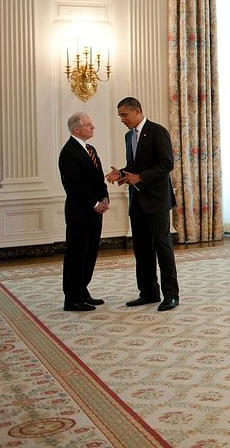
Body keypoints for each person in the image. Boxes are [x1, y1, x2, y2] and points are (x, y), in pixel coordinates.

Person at [105, 97, 180, 311]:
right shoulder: (128, 136)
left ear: (137, 111)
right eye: (120, 115)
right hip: (137, 201)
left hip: (156, 200)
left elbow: (167, 164)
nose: (121, 119)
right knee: (142, 249)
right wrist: (121, 173)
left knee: (162, 247)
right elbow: (134, 166)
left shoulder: (158, 132)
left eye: (124, 115)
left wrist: (141, 177)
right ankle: (148, 292)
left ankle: (171, 295)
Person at [58, 112, 109, 311]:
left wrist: (104, 198)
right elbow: (74, 186)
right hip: (80, 213)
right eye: (89, 125)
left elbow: (98, 179)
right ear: (76, 129)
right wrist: (93, 204)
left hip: (94, 212)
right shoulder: (69, 152)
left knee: (89, 253)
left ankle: (82, 290)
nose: (93, 127)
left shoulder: (90, 149)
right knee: (76, 255)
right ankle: (72, 298)